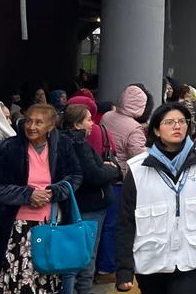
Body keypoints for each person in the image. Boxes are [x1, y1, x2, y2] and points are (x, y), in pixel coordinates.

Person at [115, 103, 196, 293]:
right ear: (156, 130)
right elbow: (125, 223)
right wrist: (124, 270)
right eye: (169, 122)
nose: (177, 126)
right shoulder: (138, 169)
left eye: (181, 122)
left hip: (190, 260)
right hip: (151, 262)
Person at [0, 103, 82, 294]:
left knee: (46, 281)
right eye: (29, 120)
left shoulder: (62, 144)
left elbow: (76, 175)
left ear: (51, 126)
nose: (31, 126)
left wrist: (55, 191)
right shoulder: (10, 147)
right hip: (17, 228)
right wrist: (28, 195)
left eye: (39, 122)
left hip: (51, 225)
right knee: (18, 283)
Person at [56, 104, 121, 294]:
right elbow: (93, 175)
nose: (93, 124)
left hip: (78, 204)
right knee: (85, 254)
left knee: (75, 253)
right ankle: (82, 290)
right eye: (88, 119)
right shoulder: (78, 144)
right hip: (89, 205)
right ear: (77, 124)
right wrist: (112, 168)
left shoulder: (61, 142)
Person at [101, 85, 149, 174]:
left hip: (105, 168)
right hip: (122, 175)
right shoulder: (135, 129)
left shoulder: (106, 115)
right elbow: (140, 157)